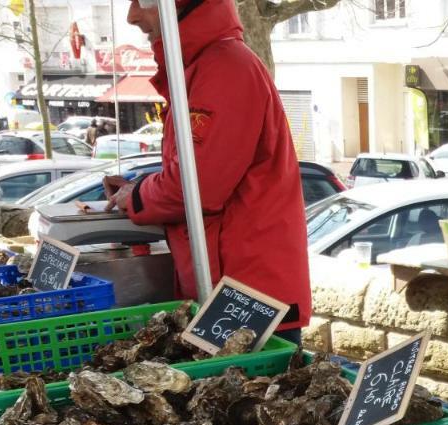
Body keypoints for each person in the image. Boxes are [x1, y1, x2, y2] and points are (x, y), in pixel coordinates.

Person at [104, 0, 309, 344]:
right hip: (233, 290)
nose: (132, 16)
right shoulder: (206, 66)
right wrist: (141, 188)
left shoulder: (225, 68)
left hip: (248, 299)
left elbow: (196, 188)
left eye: (145, 1)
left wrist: (138, 195)